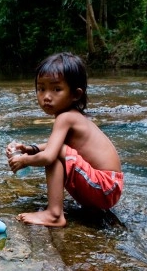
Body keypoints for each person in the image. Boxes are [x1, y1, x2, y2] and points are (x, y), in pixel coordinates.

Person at [7, 52, 123, 227]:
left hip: (105, 186)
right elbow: (60, 145)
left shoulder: (66, 118)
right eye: (41, 88)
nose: (46, 96)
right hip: (108, 187)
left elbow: (51, 155)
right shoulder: (72, 116)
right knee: (55, 151)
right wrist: (30, 149)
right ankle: (78, 210)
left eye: (56, 89)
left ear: (76, 94)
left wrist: (24, 160)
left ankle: (54, 214)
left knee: (54, 154)